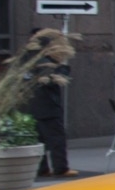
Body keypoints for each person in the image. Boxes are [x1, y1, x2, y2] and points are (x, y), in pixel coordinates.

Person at [24, 28, 77, 178]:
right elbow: (51, 80)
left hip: (29, 106)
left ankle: (42, 169)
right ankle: (61, 168)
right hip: (47, 107)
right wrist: (63, 68)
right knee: (56, 139)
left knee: (38, 140)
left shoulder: (25, 59)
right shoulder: (45, 61)